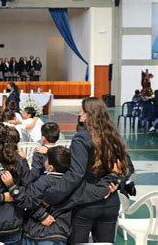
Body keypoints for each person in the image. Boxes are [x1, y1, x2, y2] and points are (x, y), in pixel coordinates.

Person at [41, 97, 129, 243]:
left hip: (86, 202)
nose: (79, 113)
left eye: (82, 110)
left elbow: (75, 175)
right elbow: (127, 167)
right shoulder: (114, 136)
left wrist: (50, 196)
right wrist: (115, 182)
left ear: (89, 114)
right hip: (111, 203)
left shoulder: (81, 139)